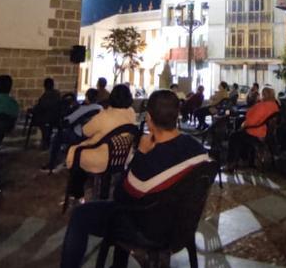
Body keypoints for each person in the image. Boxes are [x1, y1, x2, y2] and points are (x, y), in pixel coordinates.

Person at [60, 90, 209, 268]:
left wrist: (140, 154)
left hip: (149, 230)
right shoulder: (198, 150)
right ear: (177, 114)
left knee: (81, 215)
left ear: (149, 119)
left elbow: (122, 195)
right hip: (182, 226)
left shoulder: (149, 162)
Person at [63, 84, 137, 199]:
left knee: (77, 152)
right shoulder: (131, 113)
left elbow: (85, 131)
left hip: (102, 158)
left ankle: (76, 192)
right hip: (122, 157)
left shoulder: (105, 116)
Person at [42, 88, 104, 174]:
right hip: (94, 136)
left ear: (87, 97)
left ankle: (52, 163)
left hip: (79, 136)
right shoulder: (101, 108)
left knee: (57, 137)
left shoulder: (82, 109)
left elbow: (68, 121)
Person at [229, 87, 280, 168]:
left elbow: (252, 121)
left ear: (263, 95)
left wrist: (244, 125)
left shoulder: (262, 106)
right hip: (267, 133)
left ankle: (232, 163)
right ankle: (245, 159)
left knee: (234, 136)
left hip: (257, 132)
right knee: (240, 134)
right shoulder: (275, 105)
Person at [30, 77, 62, 148]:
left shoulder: (46, 96)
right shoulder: (57, 94)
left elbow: (41, 107)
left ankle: (45, 140)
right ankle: (46, 139)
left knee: (41, 122)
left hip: (45, 118)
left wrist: (32, 110)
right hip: (56, 117)